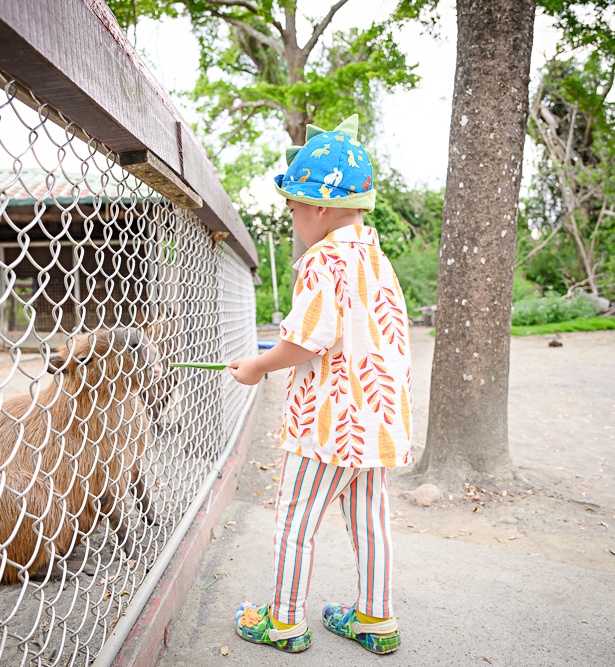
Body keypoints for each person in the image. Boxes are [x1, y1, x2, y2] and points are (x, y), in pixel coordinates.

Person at [228, 114, 413, 655]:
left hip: (328, 423)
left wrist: (259, 366)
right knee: (370, 523)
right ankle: (376, 619)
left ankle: (284, 622)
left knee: (294, 523)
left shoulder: (321, 260)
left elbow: (308, 340)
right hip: (374, 424)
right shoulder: (377, 260)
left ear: (321, 208)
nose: (293, 221)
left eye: (293, 210)